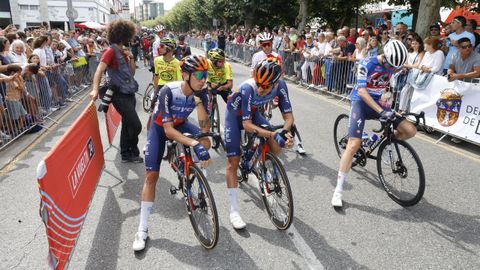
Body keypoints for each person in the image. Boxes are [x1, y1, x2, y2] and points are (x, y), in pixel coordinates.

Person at [132, 55, 212, 251]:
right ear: (185, 75)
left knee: (206, 142)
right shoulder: (169, 91)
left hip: (181, 123)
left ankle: (188, 170)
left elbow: (205, 126)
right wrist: (193, 143)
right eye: (200, 74)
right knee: (151, 176)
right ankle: (142, 229)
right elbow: (168, 131)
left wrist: (200, 103)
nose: (203, 79)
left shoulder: (202, 93)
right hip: (161, 128)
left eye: (206, 74)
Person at [331, 40, 417, 208]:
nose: (393, 70)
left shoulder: (395, 64)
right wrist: (382, 111)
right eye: (391, 66)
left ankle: (385, 145)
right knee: (353, 144)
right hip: (361, 101)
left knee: (410, 130)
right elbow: (362, 91)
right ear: (384, 56)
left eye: (396, 68)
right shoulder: (366, 63)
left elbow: (392, 82)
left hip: (379, 101)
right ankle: (338, 190)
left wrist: (390, 107)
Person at [224, 58, 295, 229]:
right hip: (235, 116)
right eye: (259, 84)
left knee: (275, 146)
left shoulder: (281, 86)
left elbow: (289, 117)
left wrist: (285, 132)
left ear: (276, 83)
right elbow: (246, 125)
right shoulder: (249, 88)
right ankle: (234, 211)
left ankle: (259, 160)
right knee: (233, 162)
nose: (262, 89)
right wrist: (273, 133)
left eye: (266, 86)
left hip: (253, 112)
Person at [89, 19, 142, 163]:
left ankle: (126, 153)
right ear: (124, 35)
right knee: (136, 125)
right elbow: (99, 70)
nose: (132, 38)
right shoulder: (110, 51)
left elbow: (131, 73)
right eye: (130, 35)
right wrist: (95, 90)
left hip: (129, 94)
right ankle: (131, 150)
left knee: (127, 124)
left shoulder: (122, 52)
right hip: (119, 95)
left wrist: (131, 58)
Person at [146, 38, 182, 129]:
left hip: (172, 88)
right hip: (161, 86)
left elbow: (180, 81)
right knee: (153, 107)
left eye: (162, 46)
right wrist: (155, 89)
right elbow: (156, 76)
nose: (159, 48)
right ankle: (151, 126)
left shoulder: (177, 63)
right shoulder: (157, 60)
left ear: (169, 48)